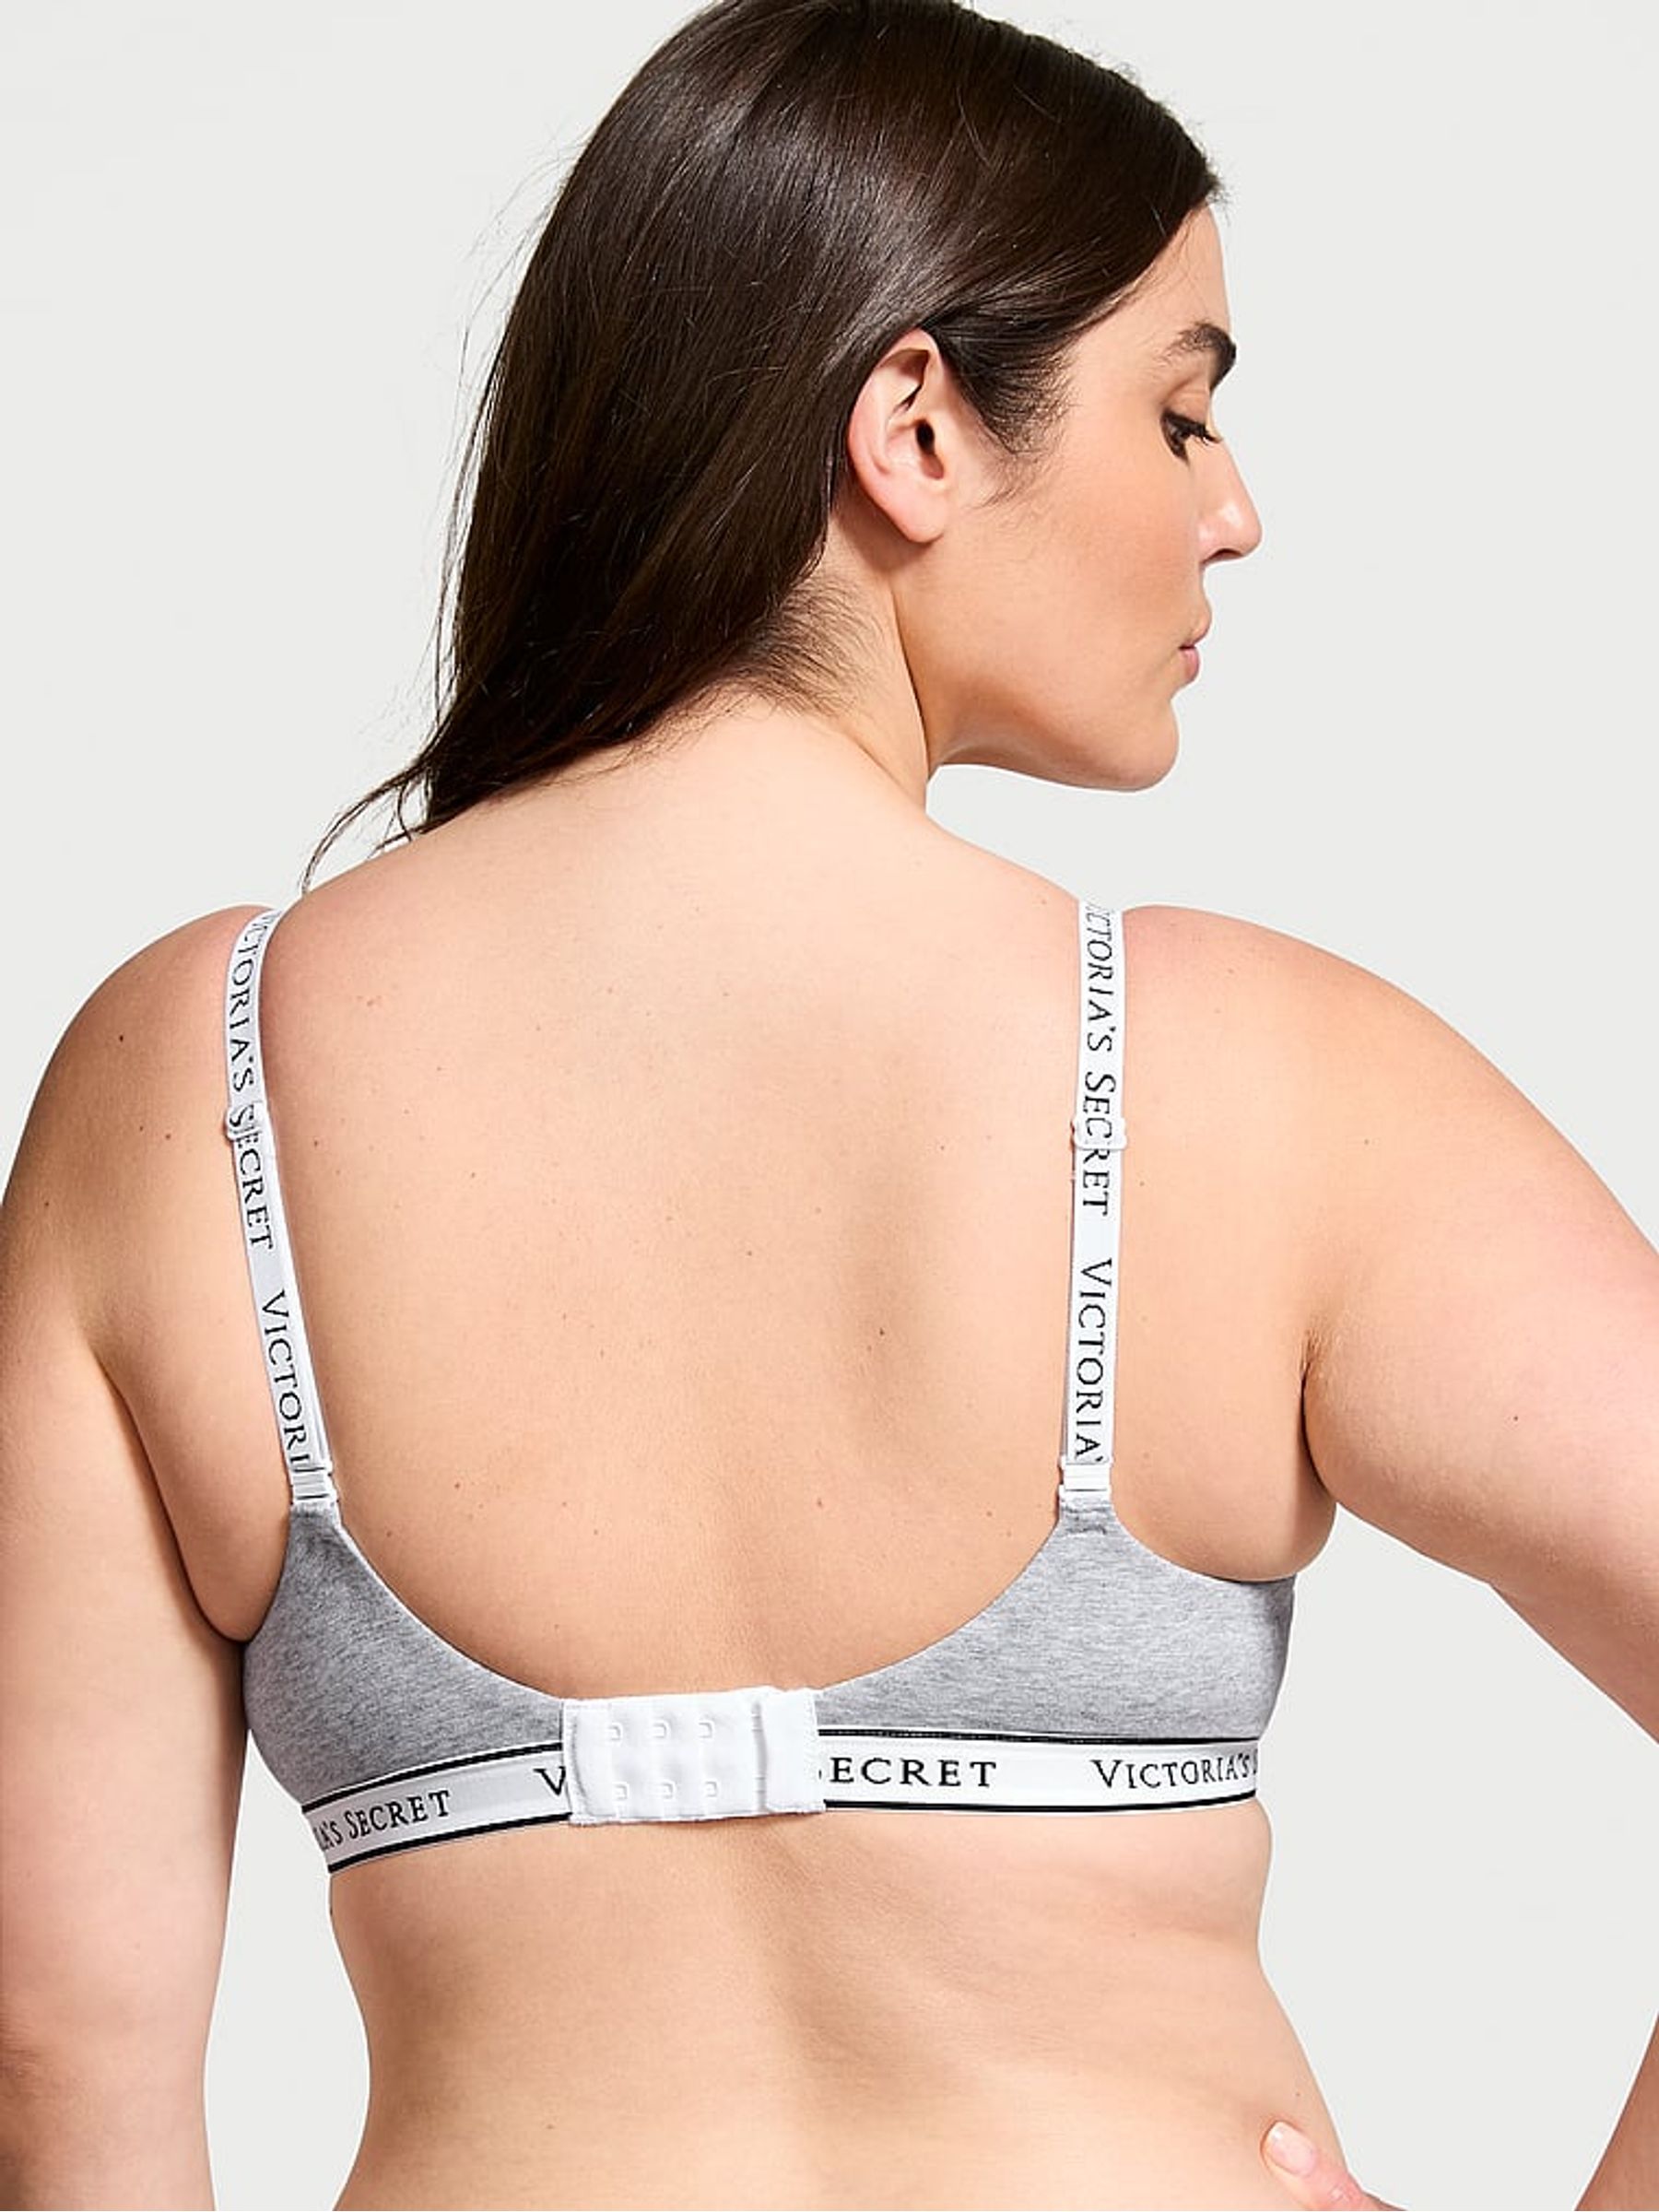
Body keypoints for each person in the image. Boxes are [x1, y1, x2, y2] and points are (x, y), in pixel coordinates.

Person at [1, 0, 1654, 2205]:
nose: (1234, 512)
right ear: (918, 427)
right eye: (1180, 416)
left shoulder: (182, 1086)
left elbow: (59, 2068)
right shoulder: (1267, 1084)